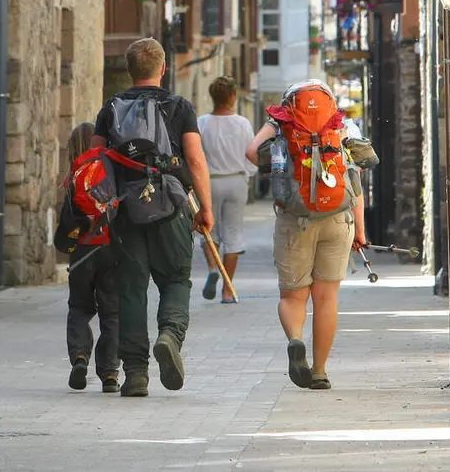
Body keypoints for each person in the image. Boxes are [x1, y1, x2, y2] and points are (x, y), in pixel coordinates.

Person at [90, 38, 214, 398]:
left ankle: (135, 374)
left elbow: (94, 162)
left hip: (126, 210)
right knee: (176, 280)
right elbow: (195, 160)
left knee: (130, 291)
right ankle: (169, 335)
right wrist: (205, 208)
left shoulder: (111, 107)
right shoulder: (179, 107)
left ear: (130, 71)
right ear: (163, 69)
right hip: (170, 205)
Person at [245, 80, 366, 391]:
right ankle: (320, 370)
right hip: (338, 217)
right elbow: (355, 175)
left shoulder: (280, 122)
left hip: (295, 217)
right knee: (326, 298)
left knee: (293, 296)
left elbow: (250, 152)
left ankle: (295, 339)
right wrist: (360, 231)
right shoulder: (341, 123)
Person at [59, 122, 120, 393]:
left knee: (80, 308)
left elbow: (66, 224)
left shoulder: (73, 177)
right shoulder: (111, 170)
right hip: (111, 249)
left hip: (82, 252)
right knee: (112, 313)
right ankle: (109, 374)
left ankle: (80, 356)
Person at [197, 76, 257, 304]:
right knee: (233, 235)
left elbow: (196, 156)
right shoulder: (243, 123)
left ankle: (213, 267)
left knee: (208, 230)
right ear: (233, 96)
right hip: (236, 182)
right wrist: (248, 174)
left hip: (210, 182)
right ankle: (227, 290)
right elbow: (251, 153)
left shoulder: (202, 123)